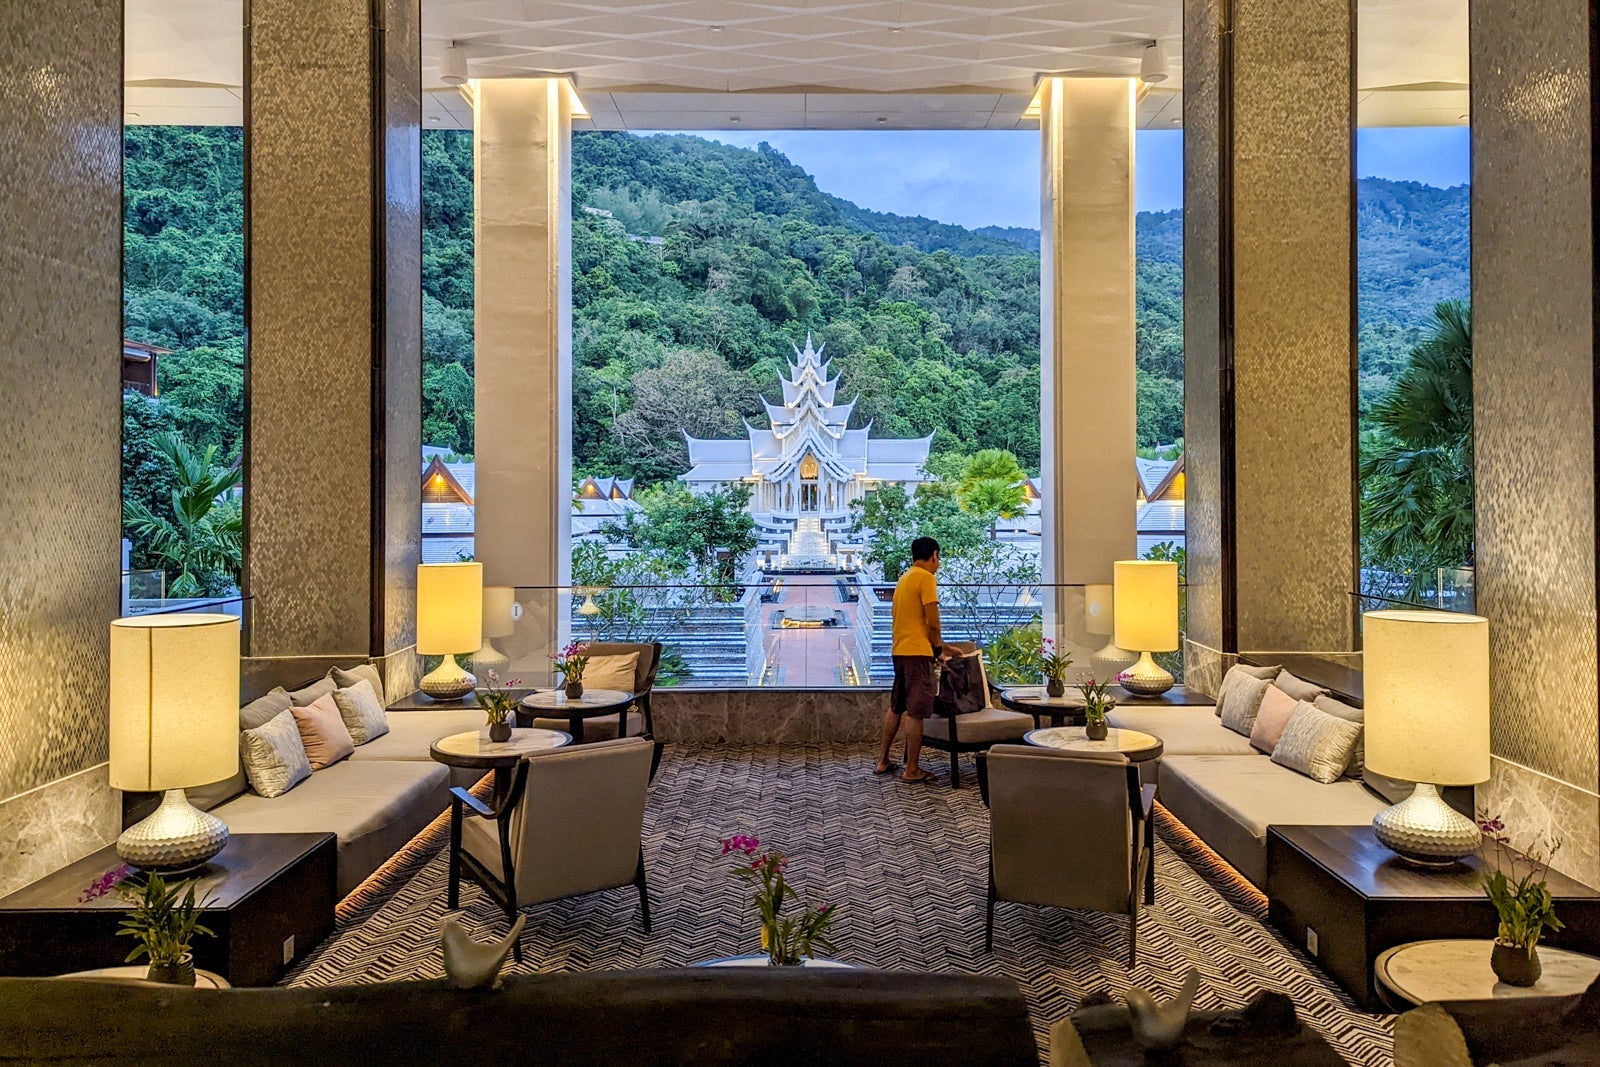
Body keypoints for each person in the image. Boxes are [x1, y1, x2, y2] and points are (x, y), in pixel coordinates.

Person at [875, 536, 945, 782]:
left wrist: (943, 645)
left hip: (901, 650)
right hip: (918, 654)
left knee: (896, 707)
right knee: (915, 712)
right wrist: (938, 650)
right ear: (934, 555)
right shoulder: (926, 578)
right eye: (938, 558)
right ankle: (912, 769)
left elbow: (911, 621)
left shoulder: (904, 579)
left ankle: (883, 760)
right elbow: (932, 621)